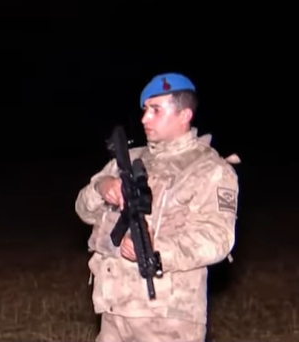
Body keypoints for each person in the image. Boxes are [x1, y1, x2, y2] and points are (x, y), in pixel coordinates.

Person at [75, 73, 240, 342]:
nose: (144, 119)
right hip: (114, 311)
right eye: (144, 110)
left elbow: (218, 238)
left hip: (167, 317)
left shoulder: (210, 170)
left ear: (184, 115)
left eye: (156, 110)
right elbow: (83, 210)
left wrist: (157, 251)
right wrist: (102, 188)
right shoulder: (128, 160)